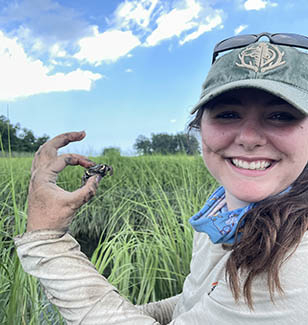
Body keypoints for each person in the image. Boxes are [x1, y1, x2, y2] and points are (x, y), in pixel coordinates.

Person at [14, 32, 308, 324]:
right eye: (228, 114)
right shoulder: (222, 215)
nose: (248, 137)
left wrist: (46, 238)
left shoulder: (294, 261)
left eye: (281, 116)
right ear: (200, 127)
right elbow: (201, 300)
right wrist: (135, 314)